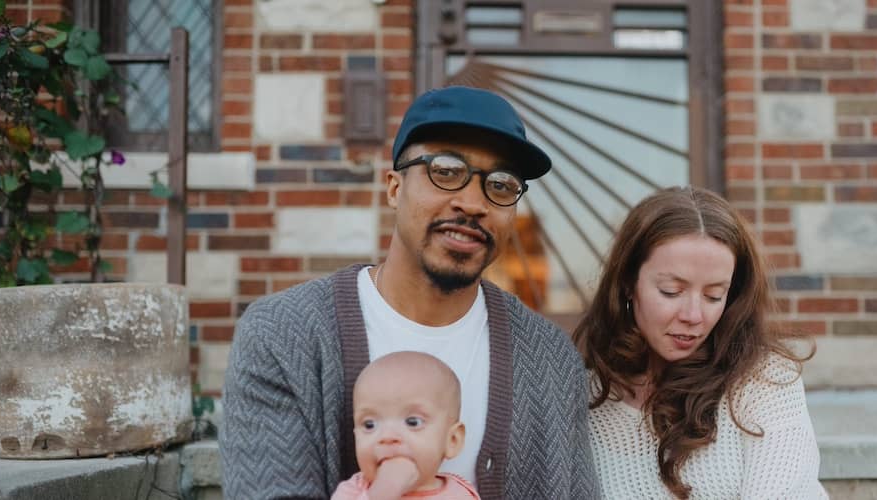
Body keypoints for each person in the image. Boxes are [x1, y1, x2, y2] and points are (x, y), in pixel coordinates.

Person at [221, 86, 598, 499]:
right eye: (447, 170)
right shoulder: (281, 336)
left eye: (502, 184)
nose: (473, 202)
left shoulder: (550, 358)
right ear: (395, 188)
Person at [573, 186, 827, 499]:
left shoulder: (763, 380)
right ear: (628, 283)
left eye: (713, 296)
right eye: (671, 291)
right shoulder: (583, 397)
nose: (693, 315)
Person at [331, 351, 479, 500]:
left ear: (452, 440)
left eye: (413, 422)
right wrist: (381, 492)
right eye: (370, 425)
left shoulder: (461, 494)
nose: (387, 436)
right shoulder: (352, 492)